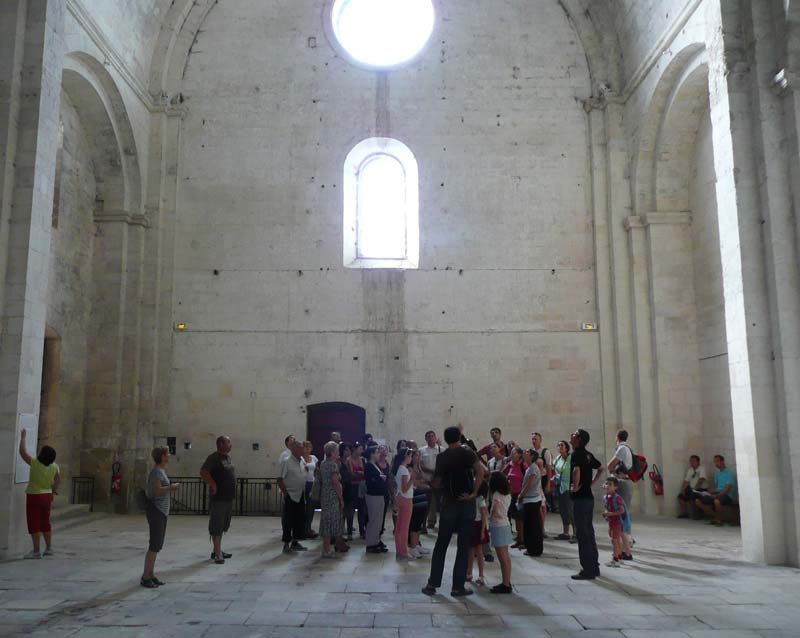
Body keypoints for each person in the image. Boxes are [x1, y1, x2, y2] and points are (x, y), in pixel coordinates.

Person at [422, 426, 485, 597]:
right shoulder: (467, 453)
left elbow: (437, 481)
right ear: (459, 437)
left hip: (448, 503)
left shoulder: (442, 457)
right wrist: (473, 493)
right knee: (463, 546)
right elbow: (481, 471)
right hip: (466, 504)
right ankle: (457, 587)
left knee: (441, 544)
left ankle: (432, 584)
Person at [141, 446, 180, 587]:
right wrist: (171, 487)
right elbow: (157, 491)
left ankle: (151, 574)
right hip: (156, 510)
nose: (169, 455)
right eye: (167, 453)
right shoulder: (157, 472)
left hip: (162, 511)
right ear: (163, 456)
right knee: (154, 544)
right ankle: (145, 576)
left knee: (157, 545)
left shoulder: (161, 471)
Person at [18, 430, 60, 559]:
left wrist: (23, 437)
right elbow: (58, 480)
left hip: (34, 496)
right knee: (45, 522)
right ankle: (49, 548)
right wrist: (52, 490)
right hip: (47, 496)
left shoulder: (35, 464)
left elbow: (23, 453)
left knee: (34, 523)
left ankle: (36, 551)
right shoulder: (55, 466)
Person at [569, 428, 604, 580]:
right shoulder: (589, 455)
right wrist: (591, 483)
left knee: (582, 534)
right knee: (589, 532)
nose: (572, 436)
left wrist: (576, 487)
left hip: (580, 499)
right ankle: (594, 566)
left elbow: (576, 471)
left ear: (579, 440)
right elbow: (601, 468)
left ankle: (587, 569)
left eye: (574, 435)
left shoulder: (577, 454)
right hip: (588, 498)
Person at [200, 435, 236, 564]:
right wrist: (213, 484)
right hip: (219, 497)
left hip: (228, 497)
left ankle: (217, 550)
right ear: (221, 444)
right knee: (217, 524)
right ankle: (217, 554)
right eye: (228, 442)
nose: (231, 444)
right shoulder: (213, 458)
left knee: (223, 524)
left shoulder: (227, 457)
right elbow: (204, 472)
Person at [606, 429, 633, 560]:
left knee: (621, 518)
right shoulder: (627, 448)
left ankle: (626, 550)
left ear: (617, 437)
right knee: (622, 518)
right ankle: (625, 550)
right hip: (626, 482)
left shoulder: (622, 449)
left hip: (622, 483)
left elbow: (609, 466)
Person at [278, 440, 308, 553]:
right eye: (301, 448)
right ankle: (286, 543)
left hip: (300, 494)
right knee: (288, 520)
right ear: (294, 449)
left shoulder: (301, 461)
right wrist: (286, 494)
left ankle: (295, 542)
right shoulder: (286, 462)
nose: (303, 450)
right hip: (291, 494)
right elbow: (280, 479)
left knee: (299, 519)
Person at [319, 441, 346, 558]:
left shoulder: (323, 463)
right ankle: (326, 550)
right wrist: (341, 498)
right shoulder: (333, 465)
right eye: (337, 450)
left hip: (325, 495)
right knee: (331, 521)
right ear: (332, 452)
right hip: (332, 496)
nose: (338, 452)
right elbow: (335, 483)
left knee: (326, 521)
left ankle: (326, 548)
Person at [488, 472, 513, 594]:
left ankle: (505, 584)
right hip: (506, 524)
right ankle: (507, 581)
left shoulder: (496, 494)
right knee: (506, 557)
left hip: (498, 526)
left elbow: (495, 510)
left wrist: (490, 517)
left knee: (502, 558)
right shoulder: (507, 494)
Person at [695, 455, 738, 526]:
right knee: (698, 501)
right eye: (714, 462)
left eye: (717, 461)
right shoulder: (717, 473)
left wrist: (716, 495)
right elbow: (716, 487)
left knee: (717, 501)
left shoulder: (730, 474)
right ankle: (717, 517)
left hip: (727, 496)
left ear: (722, 462)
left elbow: (727, 490)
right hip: (717, 493)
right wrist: (708, 493)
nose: (715, 463)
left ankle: (719, 519)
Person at [519, 449, 544, 557]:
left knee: (532, 526)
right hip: (529, 500)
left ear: (532, 456)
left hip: (532, 500)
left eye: (527, 453)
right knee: (529, 525)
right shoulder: (530, 467)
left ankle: (534, 549)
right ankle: (531, 547)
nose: (524, 454)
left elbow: (529, 485)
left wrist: (521, 495)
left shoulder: (533, 468)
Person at [364, 446, 388, 553]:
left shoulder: (375, 465)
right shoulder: (368, 465)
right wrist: (381, 478)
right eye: (377, 452)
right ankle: (370, 543)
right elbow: (372, 480)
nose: (379, 454)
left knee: (378, 520)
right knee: (373, 520)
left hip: (379, 494)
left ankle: (376, 540)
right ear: (372, 454)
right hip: (373, 495)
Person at [392, 447, 415, 560]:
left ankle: (399, 551)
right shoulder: (404, 470)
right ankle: (403, 552)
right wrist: (413, 478)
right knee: (404, 528)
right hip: (406, 499)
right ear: (405, 456)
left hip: (401, 498)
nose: (411, 458)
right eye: (410, 456)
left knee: (399, 527)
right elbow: (405, 488)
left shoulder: (401, 468)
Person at [409, 449, 431, 556]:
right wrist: (422, 483)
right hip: (415, 496)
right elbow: (414, 483)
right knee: (415, 521)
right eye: (416, 455)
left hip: (422, 495)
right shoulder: (410, 469)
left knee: (420, 522)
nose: (418, 458)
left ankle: (417, 544)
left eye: (419, 455)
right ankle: (412, 546)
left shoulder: (419, 468)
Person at [467, 481, 489, 585]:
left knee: (479, 552)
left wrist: (482, 531)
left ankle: (481, 575)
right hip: (471, 524)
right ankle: (469, 573)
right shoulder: (472, 498)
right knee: (471, 551)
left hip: (478, 525)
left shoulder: (481, 500)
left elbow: (484, 516)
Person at [505, 447, 527, 547]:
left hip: (521, 495)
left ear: (519, 455)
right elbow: (502, 474)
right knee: (516, 517)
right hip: (512, 494)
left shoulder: (523, 465)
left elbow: (529, 478)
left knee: (520, 518)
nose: (511, 454)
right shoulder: (510, 464)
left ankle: (522, 540)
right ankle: (519, 537)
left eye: (513, 453)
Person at [532, 432, 554, 531]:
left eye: (535, 439)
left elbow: (549, 468)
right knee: (537, 504)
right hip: (534, 480)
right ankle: (538, 525)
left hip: (543, 479)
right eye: (532, 439)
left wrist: (548, 484)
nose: (533, 441)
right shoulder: (531, 452)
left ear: (540, 440)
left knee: (542, 504)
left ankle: (542, 526)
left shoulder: (545, 452)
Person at [553, 440, 575, 541]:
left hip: (569, 488)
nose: (560, 447)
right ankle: (565, 533)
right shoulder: (557, 458)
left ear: (567, 448)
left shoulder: (571, 459)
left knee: (571, 511)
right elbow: (555, 471)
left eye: (562, 445)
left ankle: (576, 533)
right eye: (559, 445)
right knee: (562, 511)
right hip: (559, 487)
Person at [420, 430, 442, 530]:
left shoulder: (441, 450)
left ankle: (443, 523)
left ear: (435, 437)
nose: (430, 438)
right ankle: (430, 522)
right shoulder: (422, 450)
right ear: (425, 438)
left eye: (432, 436)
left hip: (439, 481)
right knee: (429, 503)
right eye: (428, 436)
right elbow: (420, 464)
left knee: (441, 502)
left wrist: (437, 474)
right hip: (426, 480)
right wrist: (430, 471)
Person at [602, 476, 626, 567]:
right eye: (606, 483)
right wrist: (606, 514)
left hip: (617, 523)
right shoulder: (605, 497)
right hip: (611, 523)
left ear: (615, 487)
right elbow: (606, 507)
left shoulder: (617, 498)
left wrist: (610, 514)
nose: (607, 486)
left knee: (615, 540)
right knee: (615, 540)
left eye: (610, 484)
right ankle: (619, 557)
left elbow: (622, 510)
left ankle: (615, 559)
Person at [301, 440, 319, 539]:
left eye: (309, 447)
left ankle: (308, 527)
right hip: (303, 483)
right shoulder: (300, 459)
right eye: (305, 447)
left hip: (312, 483)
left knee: (311, 507)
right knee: (303, 507)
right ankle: (303, 528)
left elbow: (316, 470)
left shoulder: (313, 458)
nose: (307, 449)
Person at [348, 443, 367, 538]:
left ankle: (362, 530)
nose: (362, 451)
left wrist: (359, 473)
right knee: (351, 509)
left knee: (362, 509)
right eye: (360, 449)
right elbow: (351, 474)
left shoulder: (362, 459)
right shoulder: (349, 460)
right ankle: (349, 531)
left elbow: (365, 473)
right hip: (352, 487)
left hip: (361, 486)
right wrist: (360, 474)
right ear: (354, 449)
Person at [376, 445, 393, 536]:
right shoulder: (375, 463)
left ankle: (381, 529)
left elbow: (389, 479)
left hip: (385, 491)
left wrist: (392, 493)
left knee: (383, 512)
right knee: (376, 513)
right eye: (382, 449)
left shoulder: (387, 463)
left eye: (386, 449)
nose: (384, 451)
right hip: (376, 492)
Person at [339, 443, 355, 539]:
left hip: (349, 487)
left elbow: (351, 474)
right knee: (342, 512)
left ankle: (349, 532)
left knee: (350, 511)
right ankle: (340, 533)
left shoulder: (348, 461)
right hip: (342, 488)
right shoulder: (338, 461)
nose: (349, 451)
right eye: (347, 450)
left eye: (349, 450)